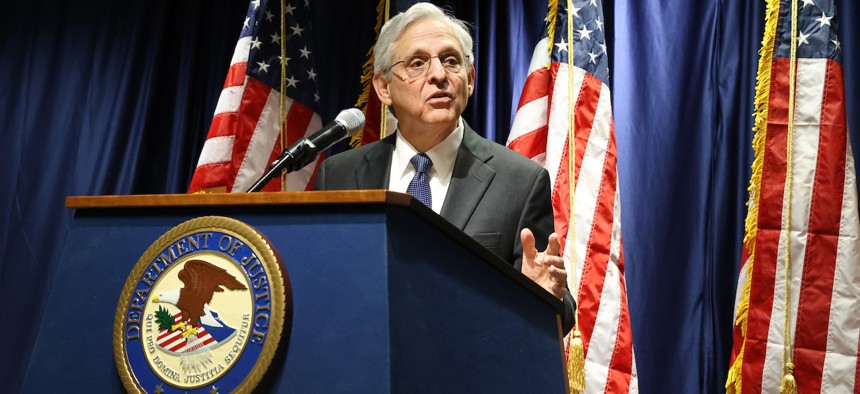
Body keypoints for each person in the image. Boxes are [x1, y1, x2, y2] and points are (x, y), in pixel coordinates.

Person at [314, 2, 573, 330]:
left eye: (451, 61)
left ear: (470, 79)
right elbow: (323, 288)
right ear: (383, 87)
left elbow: (558, 310)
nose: (438, 75)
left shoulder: (520, 181)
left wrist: (542, 296)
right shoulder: (339, 176)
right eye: (418, 63)